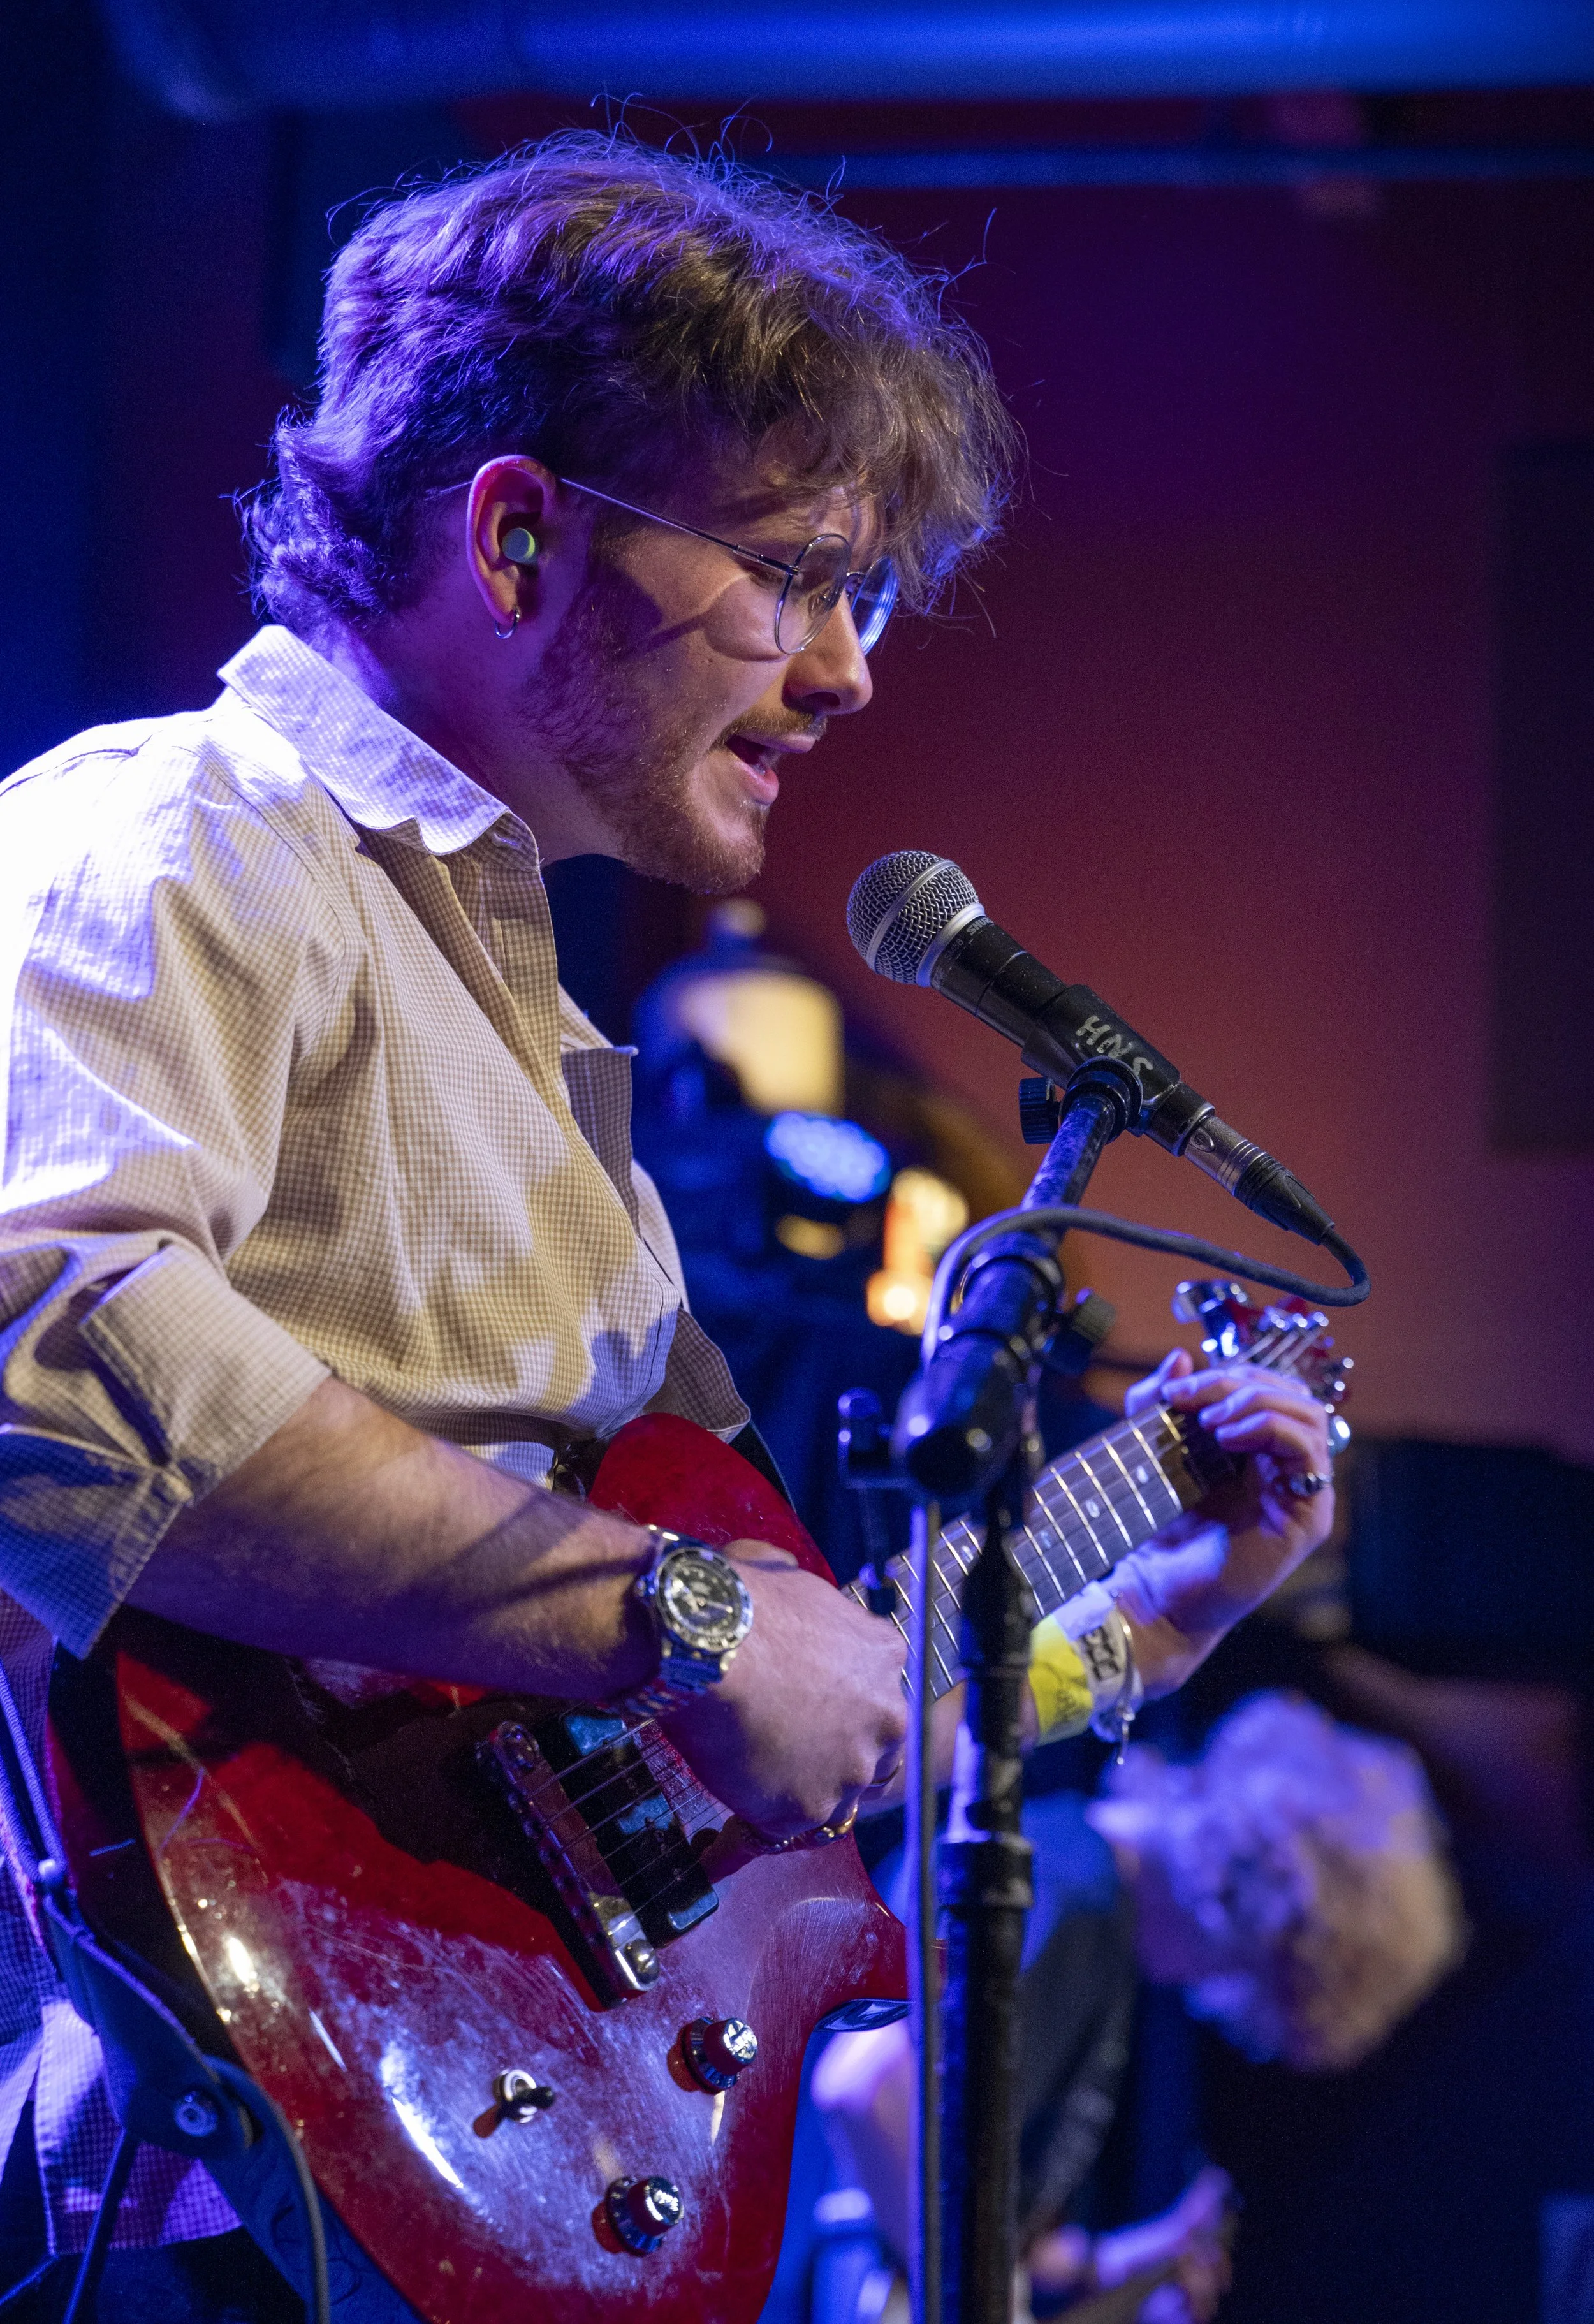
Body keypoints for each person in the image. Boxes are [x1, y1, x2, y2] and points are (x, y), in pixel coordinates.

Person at [0, 135, 1336, 2318]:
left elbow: (735, 1766)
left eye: (868, 596)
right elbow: (38, 1333)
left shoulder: (545, 1029)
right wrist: (687, 1611)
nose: (847, 672)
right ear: (516, 532)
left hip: (449, 2147)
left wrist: (1136, 1627)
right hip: (208, 2159)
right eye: (800, 574)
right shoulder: (174, 842)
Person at [813, 1693, 1462, 2324]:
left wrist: (1107, 2269)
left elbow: (966, 2217)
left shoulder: (1088, 1905)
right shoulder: (1068, 1893)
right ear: (1264, 1924)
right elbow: (864, 2089)